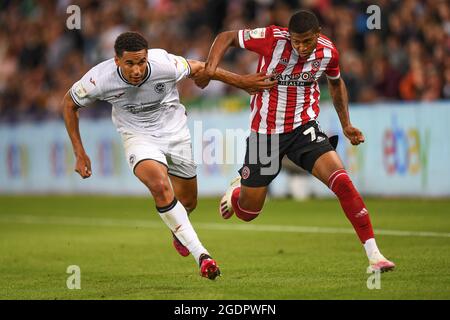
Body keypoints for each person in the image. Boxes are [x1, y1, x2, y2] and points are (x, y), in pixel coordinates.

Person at [62, 31, 276, 280]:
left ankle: (178, 231)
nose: (137, 70)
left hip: (176, 135)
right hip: (138, 137)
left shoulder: (164, 64)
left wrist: (243, 83)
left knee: (188, 203)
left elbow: (200, 68)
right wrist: (79, 151)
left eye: (141, 62)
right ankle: (203, 257)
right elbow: (69, 103)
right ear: (117, 60)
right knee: (160, 186)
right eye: (130, 63)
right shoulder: (99, 79)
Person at [197, 10, 395, 273]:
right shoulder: (271, 38)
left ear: (318, 35)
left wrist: (346, 124)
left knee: (343, 182)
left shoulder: (328, 52)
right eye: (296, 41)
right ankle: (237, 194)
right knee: (249, 212)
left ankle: (375, 256)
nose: (301, 47)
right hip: (266, 133)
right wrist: (210, 70)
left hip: (304, 128)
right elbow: (226, 37)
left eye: (307, 41)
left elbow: (335, 84)